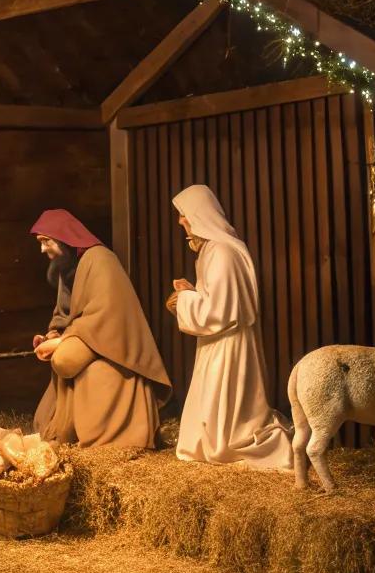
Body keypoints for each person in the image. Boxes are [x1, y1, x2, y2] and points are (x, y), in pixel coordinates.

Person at [167, 184, 292, 472]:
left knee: (230, 423)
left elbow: (220, 312)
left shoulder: (222, 251)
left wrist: (184, 300)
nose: (180, 221)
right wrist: (190, 292)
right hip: (220, 344)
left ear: (199, 215)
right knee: (214, 414)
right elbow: (220, 300)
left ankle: (266, 447)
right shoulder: (214, 250)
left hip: (229, 346)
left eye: (184, 215)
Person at [30, 208, 171, 449]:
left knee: (65, 359)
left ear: (64, 238)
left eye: (46, 242)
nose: (42, 249)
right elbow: (64, 313)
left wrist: (63, 341)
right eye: (40, 243)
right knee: (61, 358)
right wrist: (52, 334)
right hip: (85, 334)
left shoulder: (100, 259)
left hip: (107, 337)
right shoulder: (66, 266)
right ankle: (65, 428)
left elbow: (107, 313)